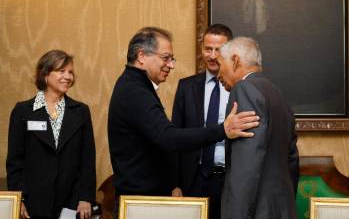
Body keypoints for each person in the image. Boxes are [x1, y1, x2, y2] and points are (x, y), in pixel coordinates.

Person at [107, 27, 260, 213]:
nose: (171, 65)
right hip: (141, 201)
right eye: (165, 58)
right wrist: (223, 130)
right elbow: (168, 137)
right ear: (141, 56)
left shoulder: (136, 86)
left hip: (149, 198)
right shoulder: (134, 91)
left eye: (171, 59)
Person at [6, 50, 96, 219]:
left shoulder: (81, 111)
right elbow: (15, 161)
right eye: (61, 71)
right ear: (45, 74)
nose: (68, 76)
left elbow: (87, 160)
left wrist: (85, 197)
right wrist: (18, 199)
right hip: (34, 201)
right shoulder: (22, 111)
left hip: (71, 200)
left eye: (70, 72)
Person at [217, 37, 299, 219]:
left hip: (256, 210)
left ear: (235, 61)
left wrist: (236, 214)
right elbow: (292, 159)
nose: (218, 74)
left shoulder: (244, 89)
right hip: (281, 206)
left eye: (219, 64)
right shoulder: (277, 94)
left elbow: (246, 163)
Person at [171, 24, 232, 219]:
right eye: (208, 49)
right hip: (193, 179)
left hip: (230, 181)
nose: (212, 56)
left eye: (219, 50)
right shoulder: (186, 87)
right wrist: (175, 184)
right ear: (202, 49)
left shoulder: (240, 89)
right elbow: (175, 139)